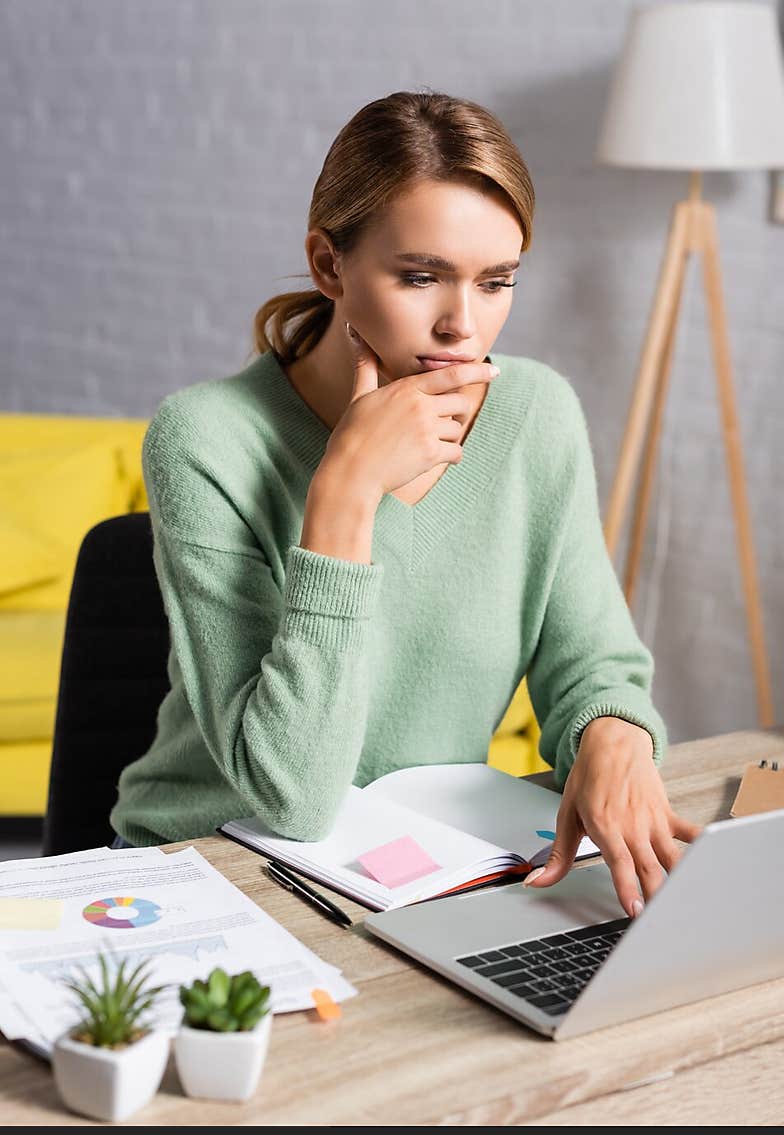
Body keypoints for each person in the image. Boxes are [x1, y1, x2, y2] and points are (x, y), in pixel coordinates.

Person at [109, 90, 700, 917]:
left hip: (423, 873)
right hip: (210, 869)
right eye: (421, 277)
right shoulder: (205, 438)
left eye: (496, 282)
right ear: (328, 266)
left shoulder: (536, 415)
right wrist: (345, 489)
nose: (463, 324)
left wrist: (612, 736)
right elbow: (295, 798)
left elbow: (595, 665)